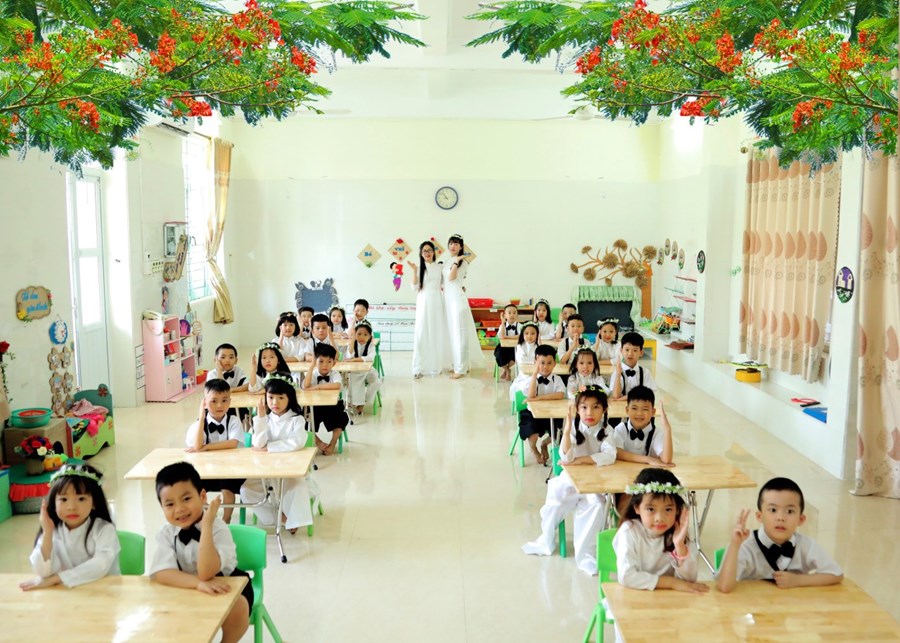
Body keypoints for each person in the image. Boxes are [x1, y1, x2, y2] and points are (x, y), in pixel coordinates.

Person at [150, 462, 251, 643]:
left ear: (202, 496)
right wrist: (197, 584)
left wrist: (206, 527)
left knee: (238, 607)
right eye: (170, 504)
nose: (179, 509)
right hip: (186, 585)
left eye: (186, 499)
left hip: (225, 583)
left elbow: (206, 572)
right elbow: (162, 572)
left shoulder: (217, 528)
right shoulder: (167, 533)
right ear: (161, 507)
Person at [522, 387, 616, 574]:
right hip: (570, 480)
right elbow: (566, 457)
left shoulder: (607, 430)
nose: (589, 413)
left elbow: (609, 456)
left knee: (597, 505)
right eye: (584, 407)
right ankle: (547, 538)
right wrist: (566, 432)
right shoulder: (573, 427)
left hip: (594, 482)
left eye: (596, 407)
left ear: (604, 409)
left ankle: (586, 555)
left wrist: (581, 460)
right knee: (556, 498)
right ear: (577, 409)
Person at [716, 477, 843, 592]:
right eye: (773, 510)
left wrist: (797, 580)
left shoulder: (807, 545)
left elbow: (836, 574)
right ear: (760, 516)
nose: (781, 517)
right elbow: (724, 587)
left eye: (789, 511)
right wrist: (735, 545)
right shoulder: (745, 545)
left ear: (801, 519)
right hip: (751, 607)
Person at [21, 462, 120, 590]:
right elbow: (42, 572)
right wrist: (47, 532)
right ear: (53, 503)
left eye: (81, 499)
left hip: (103, 591)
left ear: (94, 502)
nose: (71, 507)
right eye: (63, 499)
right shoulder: (52, 530)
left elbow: (100, 565)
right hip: (66, 593)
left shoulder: (104, 529)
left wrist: (57, 578)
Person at [613, 468, 707, 600]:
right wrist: (672, 583)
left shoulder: (676, 531)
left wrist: (680, 546)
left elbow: (689, 580)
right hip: (635, 600)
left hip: (668, 600)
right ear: (637, 508)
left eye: (668, 509)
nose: (660, 518)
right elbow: (626, 576)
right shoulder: (629, 531)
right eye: (651, 509)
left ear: (677, 509)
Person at [240, 375, 318, 533]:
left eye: (281, 398)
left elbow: (297, 442)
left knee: (297, 487)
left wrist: (269, 447)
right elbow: (258, 444)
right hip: (266, 470)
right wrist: (261, 418)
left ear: (289, 398)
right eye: (270, 397)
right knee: (246, 490)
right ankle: (280, 518)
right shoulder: (265, 419)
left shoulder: (296, 419)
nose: (275, 402)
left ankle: (294, 519)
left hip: (290, 469)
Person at [185, 378, 245, 523]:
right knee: (196, 489)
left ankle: (226, 519)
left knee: (227, 489)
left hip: (231, 469)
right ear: (204, 403)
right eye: (213, 401)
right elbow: (197, 446)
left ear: (230, 402)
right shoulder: (199, 425)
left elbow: (232, 443)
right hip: (206, 470)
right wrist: (201, 417)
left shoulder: (234, 420)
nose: (219, 405)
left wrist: (207, 447)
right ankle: (209, 517)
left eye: (224, 400)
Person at [442, 233, 481, 379]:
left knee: (460, 334)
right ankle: (457, 365)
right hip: (448, 301)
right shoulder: (448, 261)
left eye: (456, 244)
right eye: (451, 243)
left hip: (457, 301)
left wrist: (456, 262)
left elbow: (451, 278)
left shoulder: (462, 262)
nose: (453, 246)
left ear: (461, 247)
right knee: (453, 334)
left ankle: (461, 369)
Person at [408, 240, 449, 378]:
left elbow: (446, 283)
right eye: (424, 251)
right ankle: (418, 368)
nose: (427, 253)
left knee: (436, 332)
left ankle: (435, 366)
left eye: (430, 250)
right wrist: (414, 271)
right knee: (421, 333)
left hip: (437, 301)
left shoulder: (440, 267)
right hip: (423, 301)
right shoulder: (419, 267)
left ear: (434, 252)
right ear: (421, 253)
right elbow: (414, 287)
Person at [518, 344, 565, 465]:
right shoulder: (530, 379)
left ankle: (545, 444)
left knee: (562, 429)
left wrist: (539, 398)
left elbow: (560, 394)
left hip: (552, 413)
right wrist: (534, 375)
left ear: (554, 364)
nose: (545, 367)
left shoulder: (557, 379)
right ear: (535, 363)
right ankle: (534, 449)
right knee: (531, 430)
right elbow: (531, 395)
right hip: (532, 414)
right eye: (542, 363)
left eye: (549, 363)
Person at [302, 343, 348, 455]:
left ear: (334, 363)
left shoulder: (334, 373)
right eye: (321, 361)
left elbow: (337, 385)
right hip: (315, 406)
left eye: (329, 361)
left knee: (340, 420)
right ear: (316, 362)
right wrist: (311, 367)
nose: (325, 365)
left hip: (333, 406)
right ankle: (319, 443)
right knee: (302, 421)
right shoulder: (314, 373)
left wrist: (318, 387)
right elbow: (305, 386)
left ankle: (332, 444)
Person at [343, 320, 381, 414]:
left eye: (365, 334)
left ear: (370, 336)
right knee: (353, 380)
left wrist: (355, 360)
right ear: (355, 335)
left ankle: (364, 402)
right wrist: (352, 341)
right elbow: (349, 356)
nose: (362, 337)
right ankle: (354, 402)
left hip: (368, 371)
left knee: (376, 381)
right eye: (359, 334)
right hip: (355, 371)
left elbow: (370, 357)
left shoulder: (371, 345)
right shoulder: (352, 344)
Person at [609, 331, 657, 399]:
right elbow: (615, 396)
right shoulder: (617, 373)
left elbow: (650, 395)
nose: (630, 354)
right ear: (621, 350)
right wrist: (618, 374)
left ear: (641, 352)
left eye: (635, 350)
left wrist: (627, 397)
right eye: (627, 350)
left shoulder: (645, 373)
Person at [494, 303, 521, 382]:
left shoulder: (519, 325)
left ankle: (506, 369)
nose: (512, 315)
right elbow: (502, 336)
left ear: (517, 315)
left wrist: (508, 337)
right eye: (509, 313)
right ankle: (507, 370)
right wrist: (502, 322)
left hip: (515, 347)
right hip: (503, 347)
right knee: (498, 355)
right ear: (505, 315)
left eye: (514, 313)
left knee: (517, 355)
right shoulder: (503, 325)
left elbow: (521, 336)